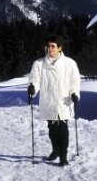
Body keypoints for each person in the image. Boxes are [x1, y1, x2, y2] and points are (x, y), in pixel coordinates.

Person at [28, 35, 81, 167]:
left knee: (63, 129)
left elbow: (75, 81)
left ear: (59, 48)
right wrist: (33, 87)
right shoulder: (39, 64)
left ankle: (63, 156)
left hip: (64, 102)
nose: (50, 49)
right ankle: (55, 150)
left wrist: (75, 93)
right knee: (52, 129)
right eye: (48, 46)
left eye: (53, 46)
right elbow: (35, 79)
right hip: (49, 101)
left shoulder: (70, 63)